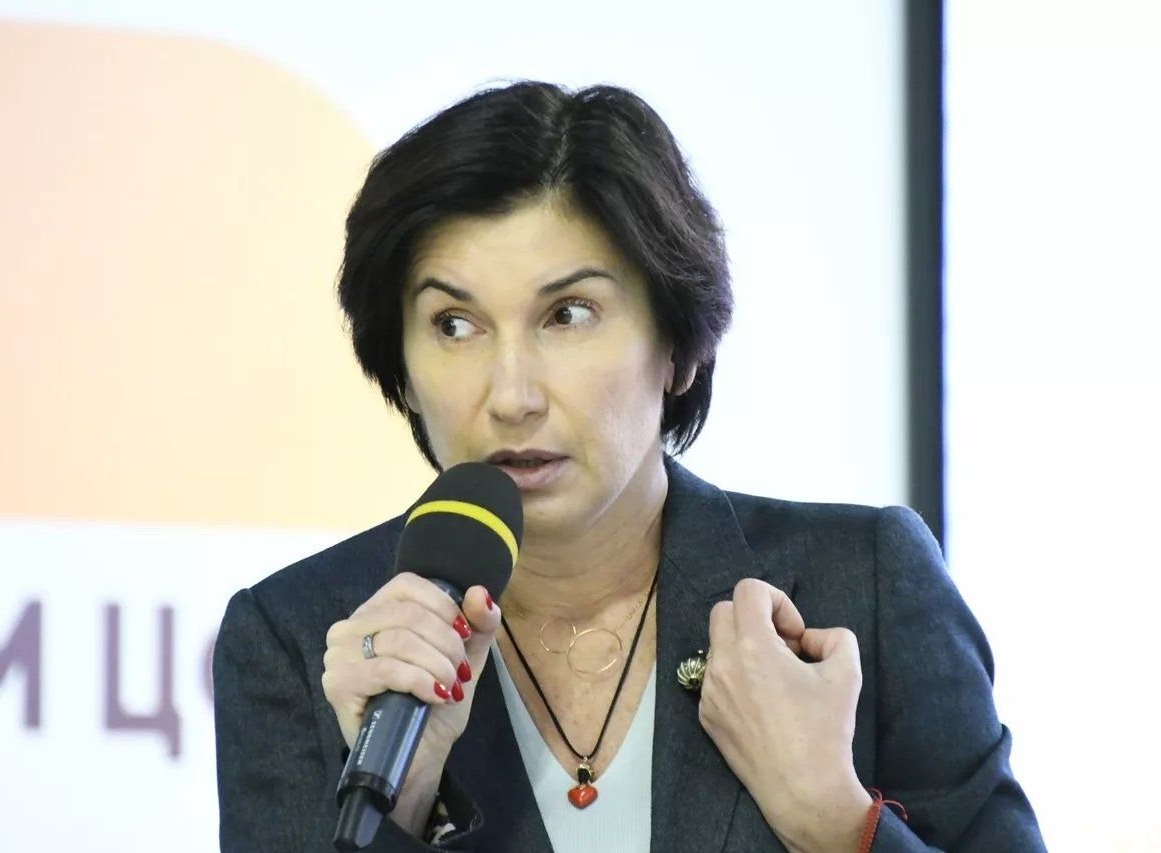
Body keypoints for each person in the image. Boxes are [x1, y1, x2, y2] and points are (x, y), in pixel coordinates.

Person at [212, 81, 1044, 852]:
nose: (511, 395)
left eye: (568, 314)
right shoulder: (296, 637)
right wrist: (406, 801)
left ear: (677, 345)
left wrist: (835, 817)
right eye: (454, 324)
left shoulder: (863, 584)